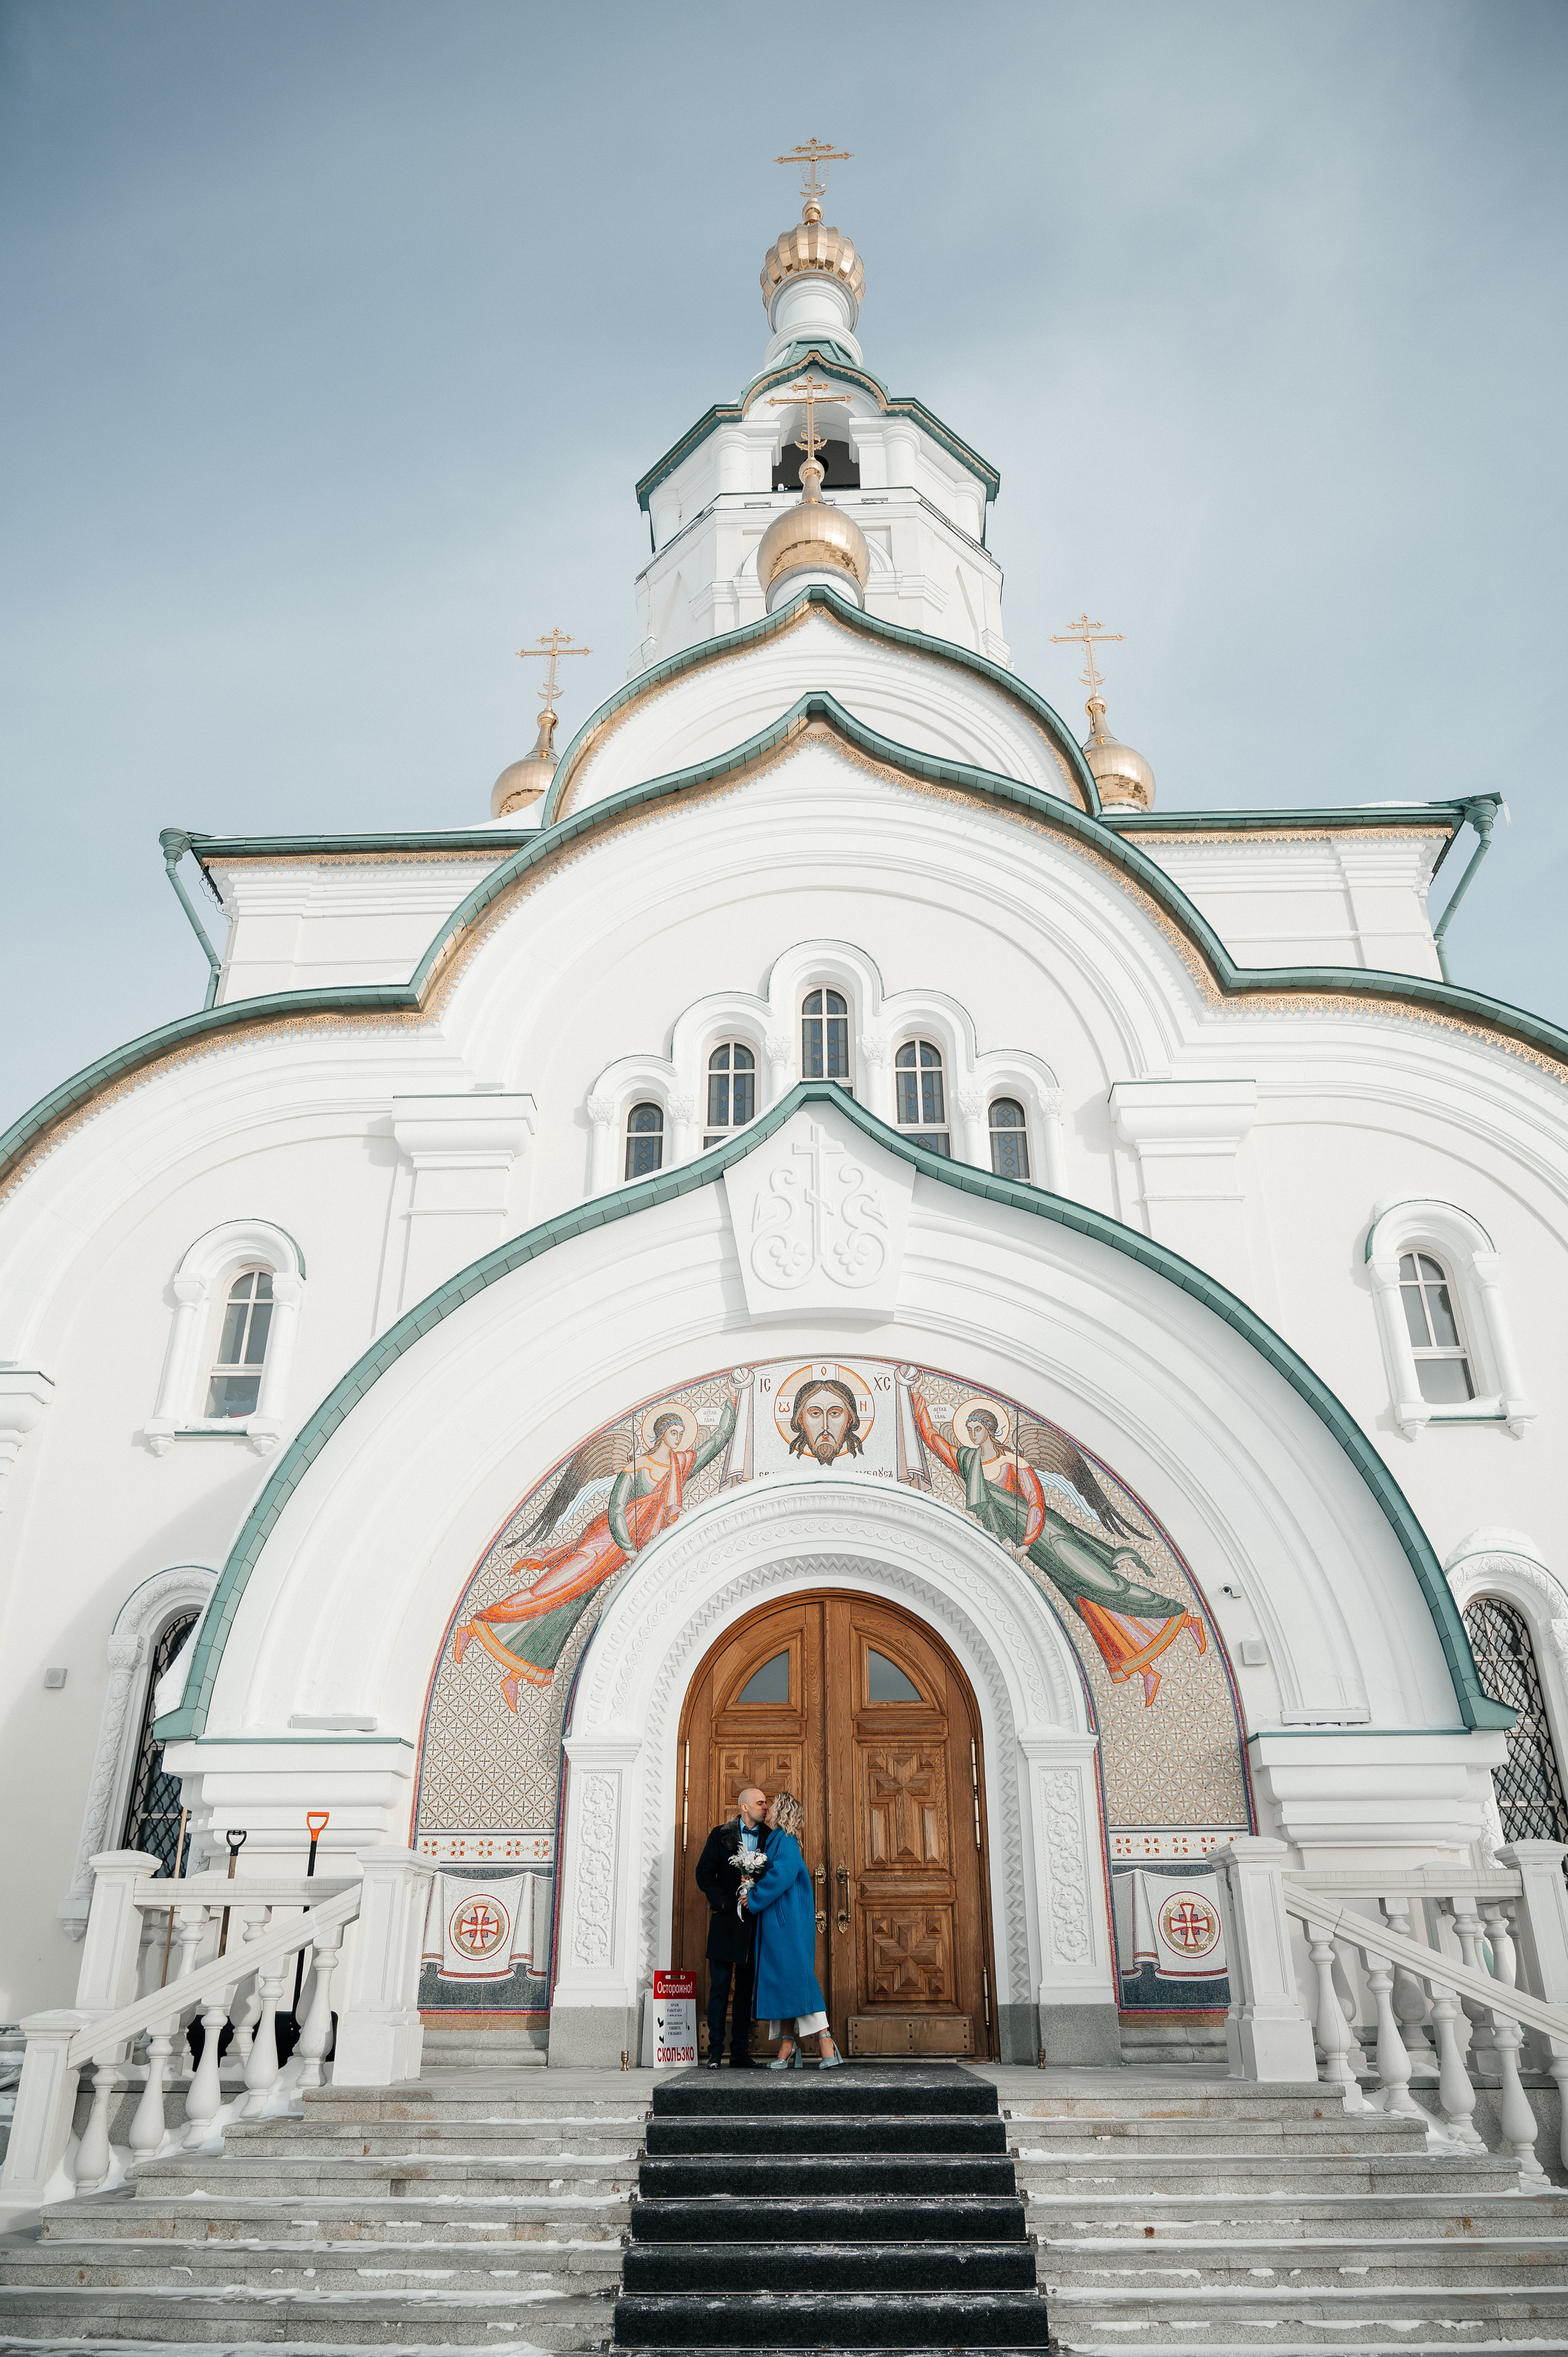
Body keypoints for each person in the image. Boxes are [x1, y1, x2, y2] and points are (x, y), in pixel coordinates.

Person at [746, 1790, 842, 2069]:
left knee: (799, 1980)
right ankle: (787, 2047)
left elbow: (781, 1876)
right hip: (780, 1922)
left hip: (786, 1925)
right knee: (783, 1981)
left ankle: (826, 2043)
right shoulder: (778, 1839)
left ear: (781, 1811)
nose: (767, 1809)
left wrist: (752, 1897)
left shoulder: (785, 1841)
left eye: (771, 1806)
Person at [693, 1782, 768, 2068]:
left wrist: (758, 1895)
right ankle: (714, 2052)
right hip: (725, 1921)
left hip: (754, 1923)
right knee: (720, 1988)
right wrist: (723, 1901)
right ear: (745, 1807)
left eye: (766, 1803)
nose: (766, 1807)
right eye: (760, 1803)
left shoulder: (770, 1837)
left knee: (746, 1991)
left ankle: (739, 2052)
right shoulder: (720, 1835)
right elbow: (703, 1873)